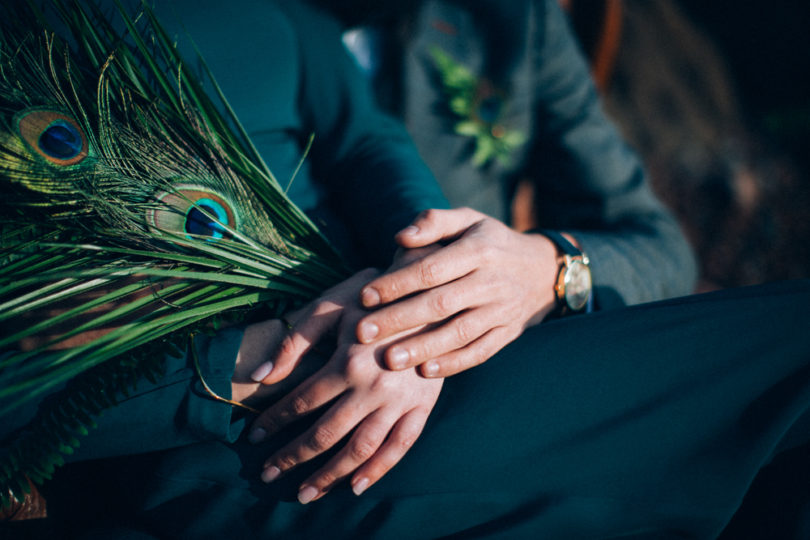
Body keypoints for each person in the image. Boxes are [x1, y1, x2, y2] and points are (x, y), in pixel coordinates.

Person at [4, 1, 809, 539]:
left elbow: (657, 244)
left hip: (459, 375)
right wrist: (330, 341)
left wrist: (540, 270)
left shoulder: (507, 23)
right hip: (276, 423)